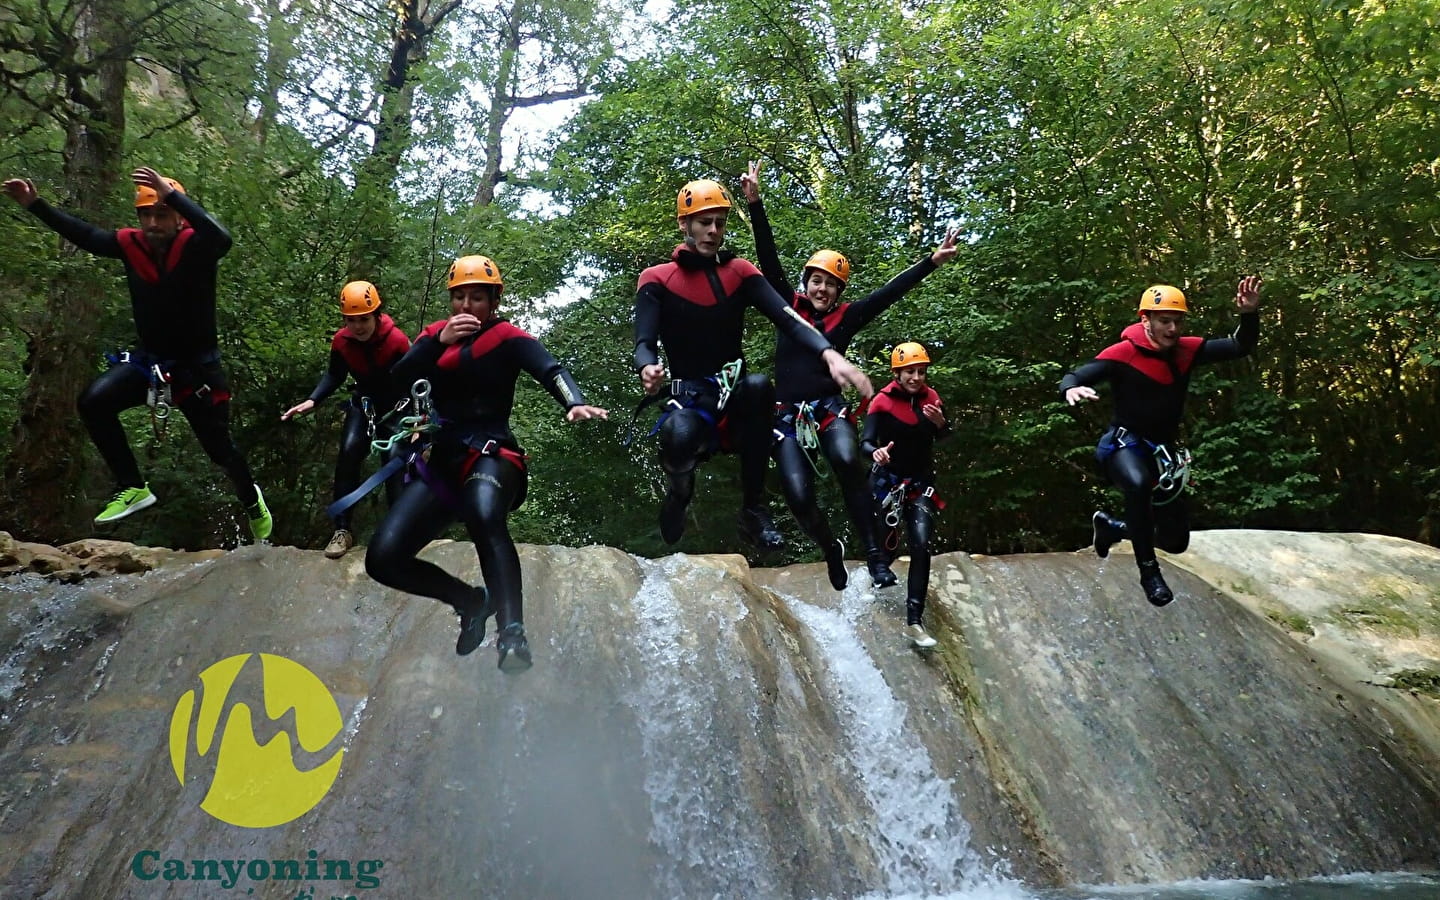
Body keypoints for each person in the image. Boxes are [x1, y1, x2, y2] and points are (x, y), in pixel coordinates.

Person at [364, 255, 607, 671]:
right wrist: (435, 343)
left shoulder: (506, 337)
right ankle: (470, 601)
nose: (466, 306)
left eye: (477, 297)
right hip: (440, 461)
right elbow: (395, 381)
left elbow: (551, 370)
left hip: (492, 454)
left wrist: (575, 402)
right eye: (459, 297)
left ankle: (512, 634)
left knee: (483, 513)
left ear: (493, 301)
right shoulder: (431, 339)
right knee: (382, 557)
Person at [2, 169, 272, 539]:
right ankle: (133, 486)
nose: (153, 223)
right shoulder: (132, 246)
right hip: (152, 365)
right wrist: (36, 205)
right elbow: (88, 236)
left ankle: (252, 501)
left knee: (219, 451)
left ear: (178, 218)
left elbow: (222, 238)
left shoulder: (196, 246)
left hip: (197, 371)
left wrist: (172, 195)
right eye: (147, 214)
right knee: (94, 402)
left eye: (161, 214)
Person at [740, 161, 957, 590]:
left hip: (828, 409)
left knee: (844, 459)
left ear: (839, 291)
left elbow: (888, 293)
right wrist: (756, 203)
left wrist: (930, 262)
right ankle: (829, 548)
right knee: (799, 496)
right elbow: (767, 259)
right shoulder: (788, 308)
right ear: (806, 284)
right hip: (786, 416)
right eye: (816, 282)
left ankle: (877, 558)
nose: (822, 289)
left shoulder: (846, 318)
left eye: (831, 285)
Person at [634, 177, 872, 551]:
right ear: (684, 224)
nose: (714, 231)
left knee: (760, 385)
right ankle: (679, 493)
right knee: (677, 436)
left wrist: (828, 353)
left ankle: (753, 509)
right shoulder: (657, 279)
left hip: (736, 401)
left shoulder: (740, 273)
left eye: (721, 223)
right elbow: (644, 341)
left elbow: (789, 318)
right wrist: (647, 366)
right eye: (704, 222)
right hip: (693, 402)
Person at [1059, 278, 1262, 606]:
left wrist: (1250, 314)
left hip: (1164, 454)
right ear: (1146, 320)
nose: (1172, 328)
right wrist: (1070, 388)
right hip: (1124, 447)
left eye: (1178, 321)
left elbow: (1240, 346)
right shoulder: (1123, 353)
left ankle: (1113, 528)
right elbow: (1076, 376)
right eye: (1164, 321)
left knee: (1176, 540)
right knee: (1138, 485)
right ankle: (1149, 574)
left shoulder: (1187, 350)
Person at [281, 281, 412, 558]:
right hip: (364, 406)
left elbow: (415, 380)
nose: (358, 327)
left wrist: (416, 422)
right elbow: (335, 375)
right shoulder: (342, 342)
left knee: (394, 463)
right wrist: (313, 400)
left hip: (397, 408)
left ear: (377, 315)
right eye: (351, 321)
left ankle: (398, 535)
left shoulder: (397, 341)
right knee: (349, 453)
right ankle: (342, 530)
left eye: (364, 319)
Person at [861, 342, 950, 648]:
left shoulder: (932, 399)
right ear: (897, 373)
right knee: (886, 543)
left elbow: (945, 436)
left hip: (919, 485)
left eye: (921, 371)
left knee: (922, 544)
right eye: (910, 371)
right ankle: (877, 574)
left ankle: (915, 620)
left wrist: (941, 424)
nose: (916, 377)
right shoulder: (881, 402)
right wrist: (876, 453)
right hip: (887, 482)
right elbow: (865, 443)